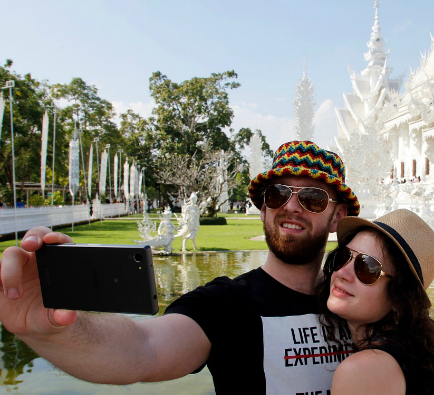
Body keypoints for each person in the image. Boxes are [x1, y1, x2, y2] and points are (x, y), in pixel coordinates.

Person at [0, 140, 360, 394]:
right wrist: (50, 331)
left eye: (312, 198)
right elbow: (144, 348)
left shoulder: (360, 301)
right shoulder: (226, 304)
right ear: (264, 208)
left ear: (336, 217)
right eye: (278, 194)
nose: (292, 207)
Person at [318, 209, 434, 394]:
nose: (342, 273)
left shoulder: (363, 371)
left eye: (367, 269)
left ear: (400, 297)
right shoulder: (430, 365)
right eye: (343, 257)